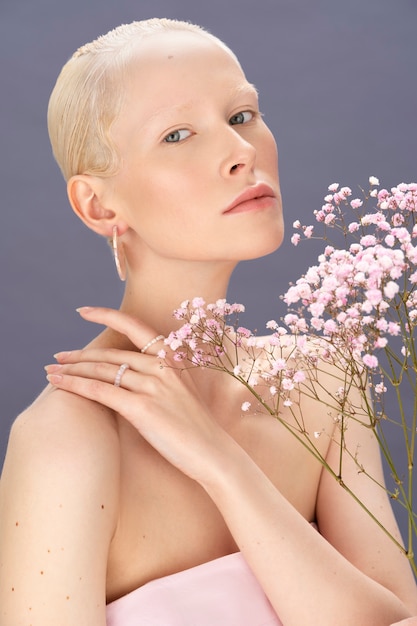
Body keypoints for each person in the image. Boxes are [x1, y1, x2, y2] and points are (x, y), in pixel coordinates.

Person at [0, 17, 416, 626]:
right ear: (98, 204)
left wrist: (220, 461)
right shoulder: (70, 439)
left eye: (242, 115)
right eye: (177, 134)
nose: (241, 152)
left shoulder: (323, 381)